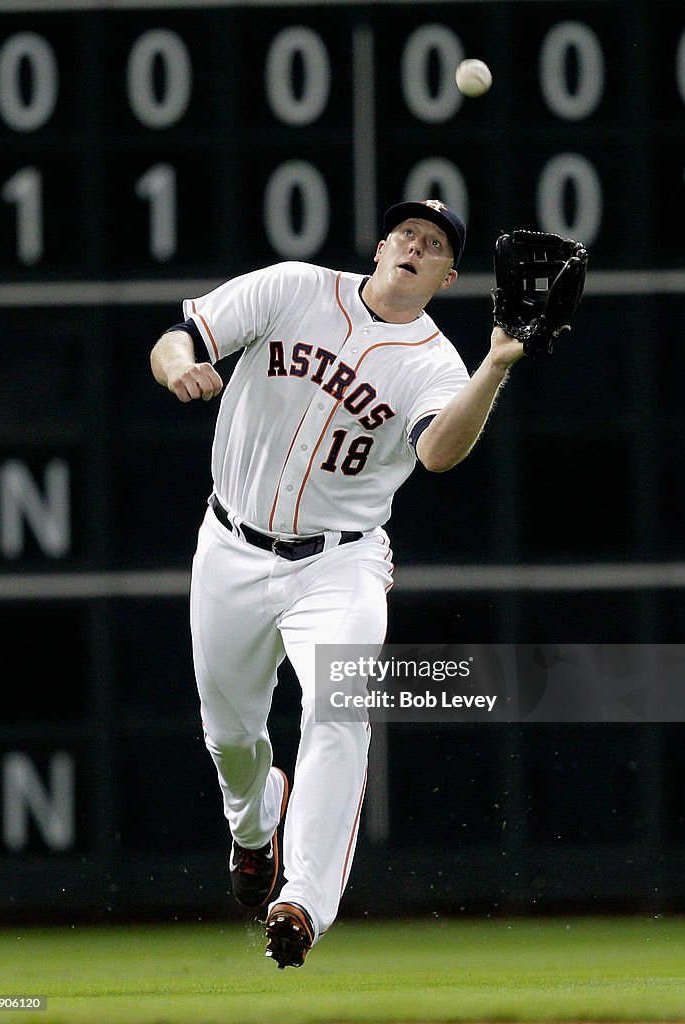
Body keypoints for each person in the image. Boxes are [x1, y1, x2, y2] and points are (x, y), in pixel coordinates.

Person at [150, 199, 524, 969]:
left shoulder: (432, 361)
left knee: (338, 707)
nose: (414, 247)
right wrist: (179, 366)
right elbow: (178, 336)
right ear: (382, 245)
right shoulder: (293, 287)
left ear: (446, 276)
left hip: (340, 560)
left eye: (432, 246)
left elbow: (438, 455)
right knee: (230, 737)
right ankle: (255, 830)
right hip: (230, 546)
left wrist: (493, 364)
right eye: (406, 234)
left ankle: (303, 902)